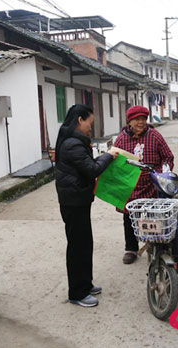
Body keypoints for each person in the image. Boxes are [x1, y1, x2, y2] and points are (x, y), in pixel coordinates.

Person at [55, 104, 117, 308]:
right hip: (73, 201)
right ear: (80, 120)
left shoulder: (75, 141)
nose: (91, 128)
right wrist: (109, 155)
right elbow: (92, 170)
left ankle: (86, 283)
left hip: (78, 198)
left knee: (85, 243)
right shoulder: (72, 144)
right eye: (90, 123)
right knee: (77, 246)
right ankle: (77, 292)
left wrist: (106, 156)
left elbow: (86, 166)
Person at [113, 106, 175, 266]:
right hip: (130, 186)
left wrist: (161, 175)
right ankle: (131, 249)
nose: (141, 122)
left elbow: (168, 157)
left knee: (154, 217)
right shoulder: (121, 139)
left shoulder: (154, 136)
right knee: (129, 216)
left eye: (143, 119)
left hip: (151, 185)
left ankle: (157, 246)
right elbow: (114, 161)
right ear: (129, 121)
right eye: (136, 119)